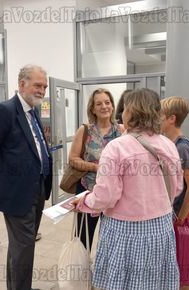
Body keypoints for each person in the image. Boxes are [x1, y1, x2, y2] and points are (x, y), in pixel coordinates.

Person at [73, 88, 183, 290]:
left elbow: (106, 196)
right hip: (161, 228)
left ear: (131, 112)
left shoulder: (116, 148)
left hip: (125, 231)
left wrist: (86, 201)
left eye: (123, 108)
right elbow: (177, 188)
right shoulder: (168, 145)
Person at [0, 64, 52, 290]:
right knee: (24, 248)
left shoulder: (33, 110)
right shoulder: (5, 111)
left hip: (37, 188)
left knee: (21, 245)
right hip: (16, 193)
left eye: (45, 86)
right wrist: (1, 182)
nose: (42, 90)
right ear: (22, 84)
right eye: (38, 85)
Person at [68, 88, 124, 250]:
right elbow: (73, 159)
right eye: (99, 104)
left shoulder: (121, 131)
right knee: (83, 237)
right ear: (92, 108)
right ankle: (83, 269)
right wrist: (96, 167)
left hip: (114, 196)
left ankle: (105, 271)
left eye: (107, 102)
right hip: (88, 191)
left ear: (113, 106)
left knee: (111, 239)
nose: (104, 106)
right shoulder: (85, 130)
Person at [161, 96, 189, 290]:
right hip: (174, 213)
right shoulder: (170, 144)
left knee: (181, 262)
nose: (157, 119)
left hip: (179, 215)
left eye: (160, 115)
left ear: (171, 119)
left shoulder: (181, 147)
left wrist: (182, 217)